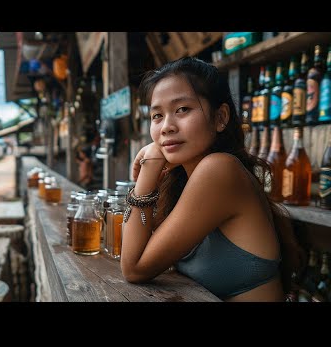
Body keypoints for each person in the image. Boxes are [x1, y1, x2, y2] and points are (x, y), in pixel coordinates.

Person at [120, 57, 304, 302]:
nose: (166, 127)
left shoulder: (219, 170)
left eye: (182, 109)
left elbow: (133, 268)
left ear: (220, 117)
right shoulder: (183, 180)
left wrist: (150, 165)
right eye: (157, 116)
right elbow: (134, 252)